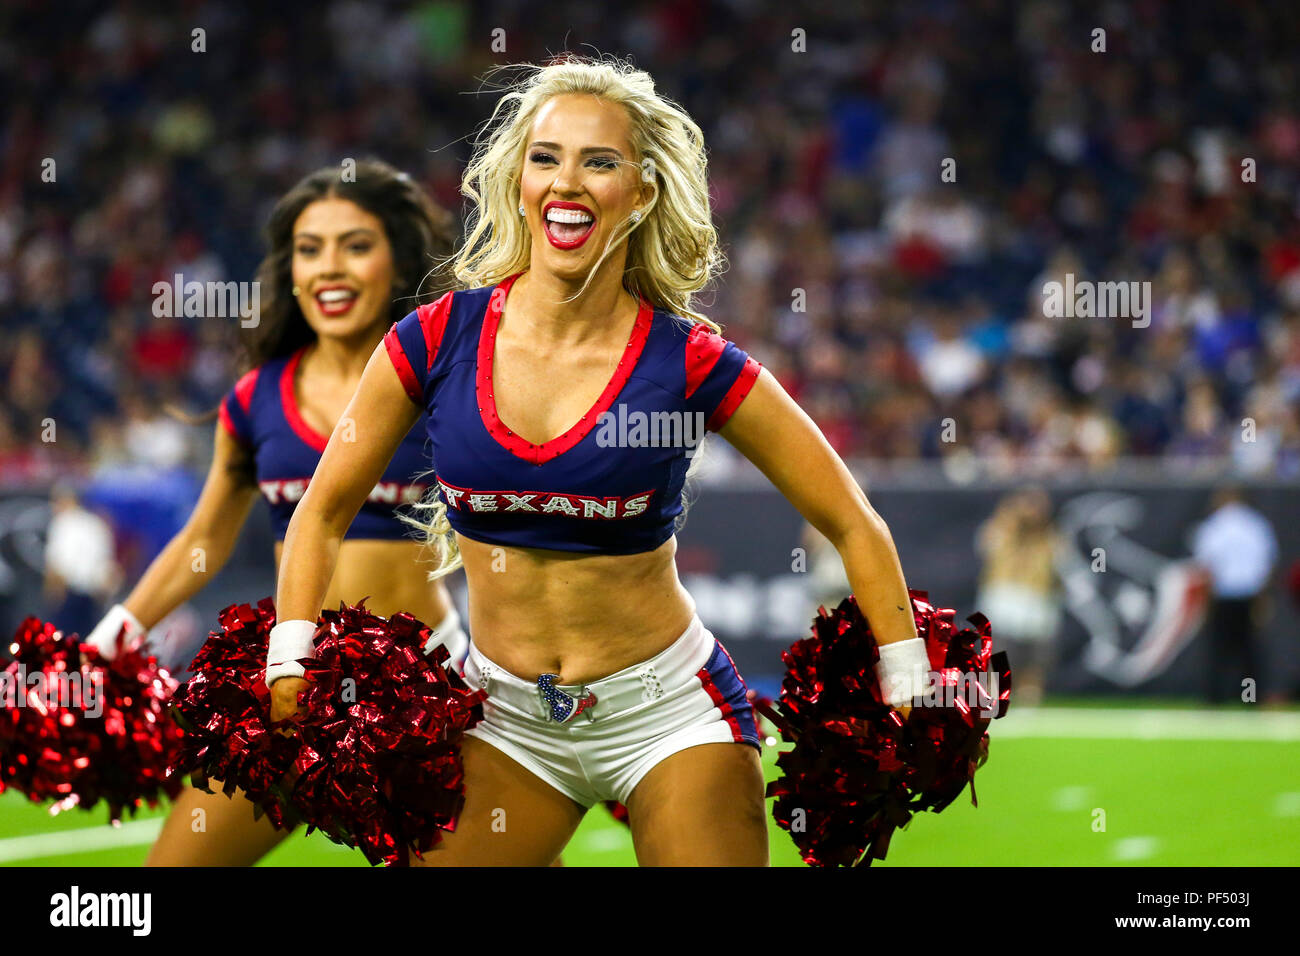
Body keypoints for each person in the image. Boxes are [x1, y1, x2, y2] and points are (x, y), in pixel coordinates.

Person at [268, 58, 925, 867]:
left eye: (600, 161)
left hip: (668, 714)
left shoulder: (690, 362)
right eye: (545, 158)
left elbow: (853, 523)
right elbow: (322, 510)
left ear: (643, 191)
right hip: (503, 718)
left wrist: (907, 679)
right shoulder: (436, 339)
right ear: (517, 180)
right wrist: (288, 656)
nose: (566, 182)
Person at [79, 160, 464, 866]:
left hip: (426, 691)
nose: (330, 268)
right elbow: (202, 540)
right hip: (291, 686)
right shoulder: (256, 398)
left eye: (356, 244)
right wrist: (109, 640)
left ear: (398, 260)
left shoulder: (441, 381)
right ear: (289, 271)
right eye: (310, 249)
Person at [974, 487, 1061, 706]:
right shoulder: (1000, 532)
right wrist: (1010, 515)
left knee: (1035, 659)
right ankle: (991, 697)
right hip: (1004, 599)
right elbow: (987, 545)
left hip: (1036, 601)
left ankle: (1030, 697)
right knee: (998, 654)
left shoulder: (1051, 539)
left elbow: (1060, 566)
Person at [1191, 485, 1278, 704]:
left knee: (1219, 650)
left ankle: (1216, 699)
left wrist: (1207, 601)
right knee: (1249, 650)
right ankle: (1250, 698)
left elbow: (1207, 567)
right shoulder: (1256, 524)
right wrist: (1262, 599)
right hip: (1249, 595)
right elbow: (1266, 564)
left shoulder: (1215, 525)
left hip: (1224, 596)